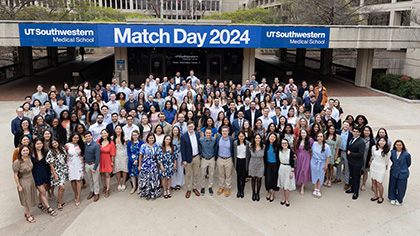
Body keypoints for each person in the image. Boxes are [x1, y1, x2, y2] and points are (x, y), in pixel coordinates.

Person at [13, 146, 38, 223]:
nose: (25, 152)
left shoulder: (30, 158)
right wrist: (19, 185)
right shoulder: (17, 162)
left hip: (31, 179)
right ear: (20, 152)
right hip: (23, 181)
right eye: (23, 151)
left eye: (27, 150)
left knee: (30, 197)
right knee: (26, 199)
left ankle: (27, 212)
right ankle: (28, 215)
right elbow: (15, 175)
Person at [31, 139, 56, 216]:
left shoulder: (46, 152)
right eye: (37, 144)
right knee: (43, 191)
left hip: (45, 174)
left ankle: (40, 204)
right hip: (36, 175)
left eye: (40, 143)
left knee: (43, 191)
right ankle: (49, 208)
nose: (39, 145)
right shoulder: (31, 154)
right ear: (34, 145)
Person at [181, 121, 201, 198]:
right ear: (187, 127)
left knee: (196, 174)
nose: (191, 128)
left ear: (194, 127)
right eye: (189, 127)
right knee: (188, 174)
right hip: (188, 158)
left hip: (196, 157)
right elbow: (182, 149)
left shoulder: (197, 134)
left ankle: (194, 187)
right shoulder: (184, 136)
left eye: (192, 127)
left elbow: (199, 144)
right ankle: (188, 189)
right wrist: (184, 160)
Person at [46, 139, 67, 210]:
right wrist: (55, 175)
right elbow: (51, 165)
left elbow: (65, 158)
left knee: (61, 187)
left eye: (55, 142)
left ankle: (60, 200)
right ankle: (59, 203)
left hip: (63, 170)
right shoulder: (50, 152)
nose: (55, 144)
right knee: (62, 186)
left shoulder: (62, 149)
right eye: (53, 143)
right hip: (56, 171)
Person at [138, 133, 161, 200]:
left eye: (152, 138)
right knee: (146, 179)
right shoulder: (143, 146)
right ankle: (147, 193)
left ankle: (154, 193)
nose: (151, 139)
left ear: (154, 139)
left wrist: (158, 164)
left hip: (153, 164)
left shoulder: (156, 145)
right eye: (150, 138)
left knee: (153, 178)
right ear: (147, 138)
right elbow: (140, 156)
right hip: (145, 164)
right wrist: (139, 165)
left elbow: (157, 156)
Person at [388, 140, 411, 206]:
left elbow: (408, 163)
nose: (398, 146)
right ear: (395, 145)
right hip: (394, 171)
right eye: (397, 145)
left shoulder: (406, 154)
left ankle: (399, 199)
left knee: (401, 187)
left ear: (402, 146)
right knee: (392, 185)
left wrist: (403, 168)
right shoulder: (392, 152)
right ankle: (392, 197)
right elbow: (392, 160)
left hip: (403, 173)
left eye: (400, 145)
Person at [346, 127, 365, 200]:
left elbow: (361, 154)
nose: (355, 133)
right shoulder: (352, 139)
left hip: (357, 163)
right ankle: (352, 189)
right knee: (352, 176)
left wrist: (351, 153)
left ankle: (356, 193)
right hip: (351, 161)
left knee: (356, 178)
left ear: (360, 133)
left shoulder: (361, 142)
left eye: (357, 132)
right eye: (354, 131)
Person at [65, 133, 85, 206]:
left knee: (78, 179)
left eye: (77, 138)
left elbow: (83, 154)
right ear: (71, 138)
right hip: (70, 164)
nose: (76, 139)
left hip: (79, 163)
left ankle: (78, 197)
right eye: (74, 138)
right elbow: (64, 154)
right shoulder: (67, 145)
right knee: (73, 180)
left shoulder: (80, 145)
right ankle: (75, 194)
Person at [215, 126, 235, 197]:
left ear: (228, 132)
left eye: (226, 131)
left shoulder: (232, 139)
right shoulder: (218, 138)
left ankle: (228, 188)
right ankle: (221, 187)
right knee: (220, 174)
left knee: (228, 175)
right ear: (221, 132)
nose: (224, 132)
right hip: (220, 158)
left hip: (228, 159)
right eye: (223, 131)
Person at [369, 137, 391, 204]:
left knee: (379, 183)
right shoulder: (374, 148)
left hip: (381, 167)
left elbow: (387, 161)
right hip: (374, 166)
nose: (381, 142)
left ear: (386, 142)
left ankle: (381, 197)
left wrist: (385, 167)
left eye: (383, 141)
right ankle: (376, 195)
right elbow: (373, 156)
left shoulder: (388, 151)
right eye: (380, 141)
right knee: (373, 182)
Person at [311, 132, 331, 198]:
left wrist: (326, 165)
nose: (319, 138)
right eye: (318, 136)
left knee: (320, 176)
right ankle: (315, 188)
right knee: (314, 175)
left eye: (321, 136)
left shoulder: (326, 146)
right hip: (314, 162)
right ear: (316, 137)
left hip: (322, 163)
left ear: (323, 137)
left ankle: (318, 189)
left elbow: (328, 157)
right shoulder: (314, 144)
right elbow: (311, 152)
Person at [277, 139, 296, 207]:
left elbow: (293, 162)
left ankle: (287, 200)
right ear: (281, 144)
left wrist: (292, 171)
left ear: (288, 144)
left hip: (288, 168)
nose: (284, 144)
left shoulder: (291, 151)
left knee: (287, 186)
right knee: (282, 185)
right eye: (283, 143)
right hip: (281, 167)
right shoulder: (279, 151)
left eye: (285, 143)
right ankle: (283, 198)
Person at [97, 129, 116, 198]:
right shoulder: (98, 142)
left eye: (105, 133)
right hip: (100, 159)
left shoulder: (111, 142)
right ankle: (104, 186)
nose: (103, 135)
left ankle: (107, 189)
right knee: (101, 173)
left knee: (107, 175)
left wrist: (112, 161)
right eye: (102, 133)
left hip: (108, 159)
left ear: (107, 134)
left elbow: (113, 153)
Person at [83, 132, 101, 202]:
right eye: (86, 136)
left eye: (89, 136)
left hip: (93, 164)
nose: (87, 138)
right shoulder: (84, 144)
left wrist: (95, 167)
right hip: (87, 164)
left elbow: (97, 157)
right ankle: (92, 191)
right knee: (90, 179)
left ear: (91, 136)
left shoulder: (96, 145)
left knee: (95, 180)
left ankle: (97, 193)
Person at [295, 129, 314, 195]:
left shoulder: (310, 140)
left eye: (304, 133)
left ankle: (302, 186)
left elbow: (313, 149)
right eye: (302, 133)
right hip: (299, 156)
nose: (303, 134)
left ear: (307, 134)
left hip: (306, 157)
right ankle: (296, 182)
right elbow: (296, 148)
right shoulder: (298, 139)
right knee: (298, 170)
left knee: (304, 170)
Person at [199, 128, 217, 196]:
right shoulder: (201, 140)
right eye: (207, 132)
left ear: (211, 133)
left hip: (211, 158)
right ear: (205, 133)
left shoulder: (214, 140)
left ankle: (210, 186)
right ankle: (202, 187)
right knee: (202, 174)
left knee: (211, 174)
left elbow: (215, 147)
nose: (208, 134)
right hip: (204, 159)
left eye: (209, 133)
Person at [233, 131, 250, 198]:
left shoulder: (247, 143)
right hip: (238, 160)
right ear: (238, 136)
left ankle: (242, 190)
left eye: (242, 136)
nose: (241, 137)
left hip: (244, 161)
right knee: (238, 176)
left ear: (244, 136)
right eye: (240, 136)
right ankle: (238, 190)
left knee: (243, 177)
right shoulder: (235, 143)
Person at [127, 130, 144, 194]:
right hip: (131, 161)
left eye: (135, 135)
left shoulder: (141, 142)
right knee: (132, 175)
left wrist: (137, 160)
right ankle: (134, 187)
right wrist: (132, 160)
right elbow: (128, 152)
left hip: (139, 160)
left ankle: (139, 187)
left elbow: (142, 152)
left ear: (138, 135)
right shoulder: (129, 143)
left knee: (139, 174)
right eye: (133, 135)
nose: (134, 136)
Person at [113, 125, 129, 192]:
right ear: (115, 130)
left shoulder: (125, 137)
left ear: (121, 130)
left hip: (124, 155)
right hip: (116, 155)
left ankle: (124, 182)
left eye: (119, 129)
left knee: (124, 169)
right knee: (117, 169)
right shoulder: (112, 138)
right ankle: (119, 183)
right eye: (117, 129)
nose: (118, 130)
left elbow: (129, 145)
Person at [337, 120, 353, 189]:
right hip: (339, 151)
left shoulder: (351, 134)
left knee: (347, 168)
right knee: (338, 165)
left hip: (346, 152)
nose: (346, 126)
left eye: (347, 125)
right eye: (345, 124)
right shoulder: (338, 132)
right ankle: (338, 178)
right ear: (342, 125)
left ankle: (347, 182)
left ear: (349, 127)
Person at [264, 133, 279, 202]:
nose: (272, 138)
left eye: (274, 137)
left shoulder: (277, 146)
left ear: (276, 138)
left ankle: (273, 193)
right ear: (268, 137)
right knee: (268, 179)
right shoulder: (265, 145)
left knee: (274, 179)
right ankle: (269, 192)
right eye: (271, 137)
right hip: (268, 164)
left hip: (275, 164)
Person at [360, 126, 375, 192]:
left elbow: (372, 152)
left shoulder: (372, 140)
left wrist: (370, 160)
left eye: (368, 131)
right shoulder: (360, 138)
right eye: (365, 130)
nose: (366, 132)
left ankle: (363, 184)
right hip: (359, 157)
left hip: (367, 157)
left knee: (365, 171)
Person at [170, 126, 184, 191]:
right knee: (173, 169)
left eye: (176, 130)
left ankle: (178, 183)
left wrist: (183, 158)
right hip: (172, 156)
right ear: (172, 131)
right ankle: (173, 184)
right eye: (174, 130)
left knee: (180, 169)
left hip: (180, 155)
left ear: (178, 131)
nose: (175, 131)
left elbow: (184, 148)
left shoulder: (181, 138)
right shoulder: (170, 138)